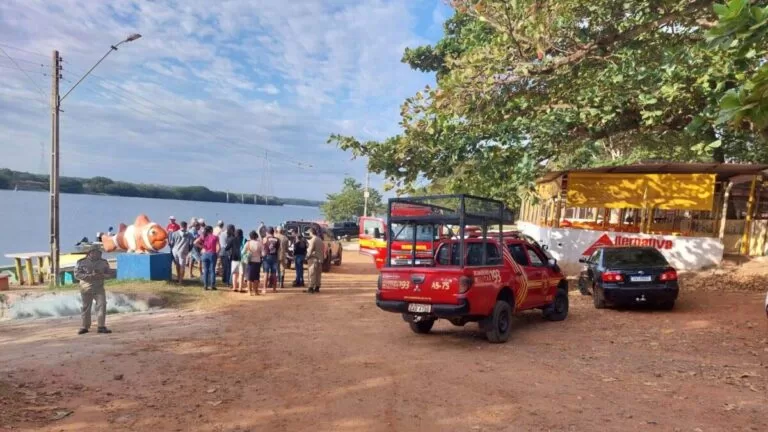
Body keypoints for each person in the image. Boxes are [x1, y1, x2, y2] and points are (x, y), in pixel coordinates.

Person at [74, 245, 112, 334]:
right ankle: (85, 326)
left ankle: (101, 326)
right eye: (97, 252)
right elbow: (77, 275)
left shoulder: (103, 262)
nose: (99, 254)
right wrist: (90, 276)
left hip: (99, 288)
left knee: (102, 305)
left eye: (100, 253)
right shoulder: (81, 262)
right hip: (86, 288)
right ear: (90, 253)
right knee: (86, 307)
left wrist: (102, 275)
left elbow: (109, 274)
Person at [194, 225, 219, 290]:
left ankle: (205, 285)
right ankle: (212, 285)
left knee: (205, 270)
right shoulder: (215, 237)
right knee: (212, 270)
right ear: (211, 230)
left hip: (205, 254)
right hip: (212, 254)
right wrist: (217, 253)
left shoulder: (203, 236)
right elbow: (218, 247)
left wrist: (202, 247)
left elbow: (195, 242)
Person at [243, 231, 263, 295]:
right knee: (256, 277)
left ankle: (249, 291)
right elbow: (263, 253)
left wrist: (247, 254)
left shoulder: (248, 243)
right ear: (256, 236)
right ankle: (256, 291)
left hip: (250, 261)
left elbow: (242, 252)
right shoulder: (259, 243)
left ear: (250, 236)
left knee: (249, 277)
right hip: (257, 261)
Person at [305, 227, 323, 293]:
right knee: (318, 274)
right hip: (319, 259)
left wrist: (307, 257)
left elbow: (310, 250)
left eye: (309, 233)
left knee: (312, 273)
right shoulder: (320, 239)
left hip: (313, 259)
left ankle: (311, 287)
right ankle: (317, 287)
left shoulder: (313, 240)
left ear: (311, 232)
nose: (309, 234)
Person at [262, 227, 280, 291]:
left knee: (266, 273)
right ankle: (274, 289)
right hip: (274, 257)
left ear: (267, 232)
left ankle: (264, 288)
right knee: (274, 273)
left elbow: (263, 247)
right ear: (273, 232)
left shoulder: (265, 239)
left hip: (267, 257)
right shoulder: (277, 239)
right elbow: (278, 248)